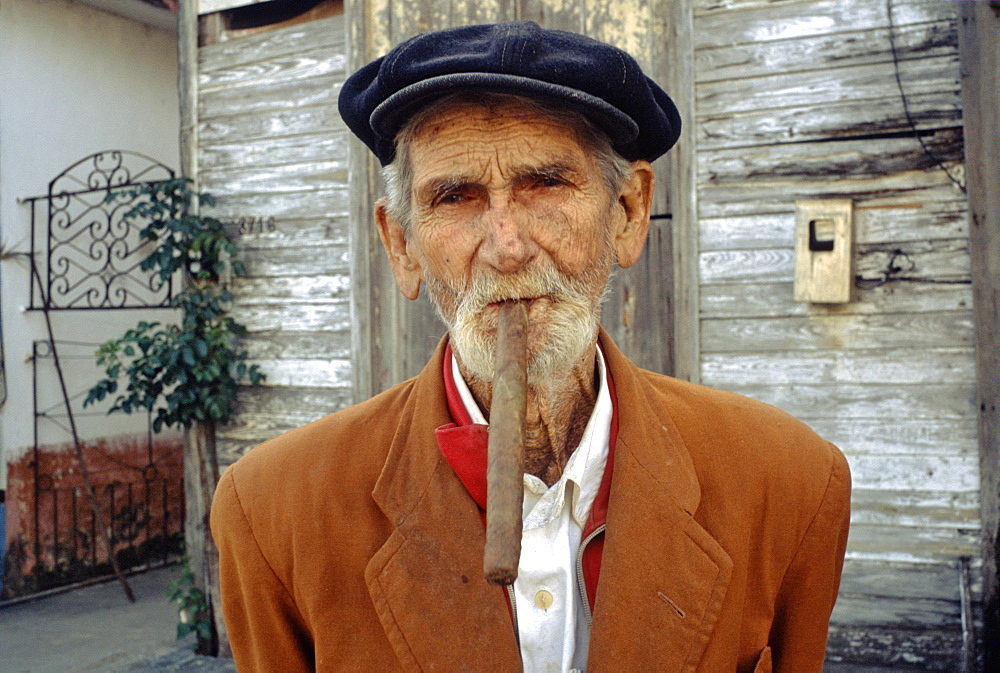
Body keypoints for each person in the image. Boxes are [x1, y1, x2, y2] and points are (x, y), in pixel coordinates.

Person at [211, 21, 851, 672]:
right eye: (455, 196)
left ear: (628, 213)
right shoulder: (272, 514)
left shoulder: (789, 484)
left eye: (545, 183)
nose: (507, 246)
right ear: (401, 244)